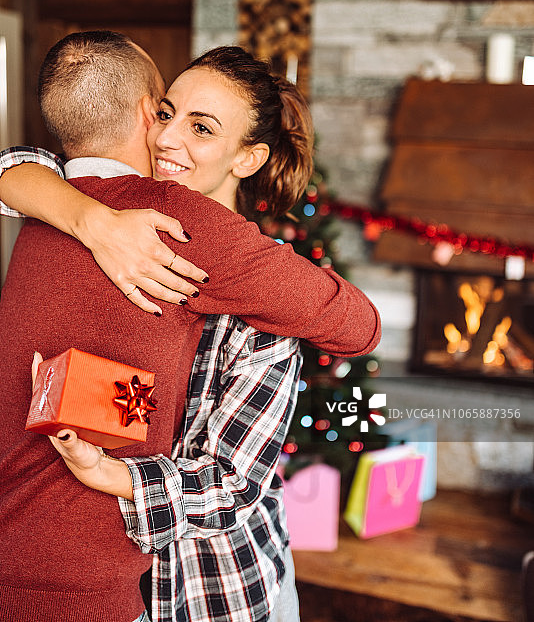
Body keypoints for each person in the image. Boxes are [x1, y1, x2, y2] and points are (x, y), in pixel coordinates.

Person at [0, 34, 380, 622]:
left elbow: (232, 484)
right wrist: (94, 221)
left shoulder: (259, 289)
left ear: (246, 157)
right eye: (168, 114)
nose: (170, 138)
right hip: (128, 587)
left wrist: (111, 473)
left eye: (201, 128)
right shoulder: (86, 208)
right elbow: (22, 163)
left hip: (220, 589)